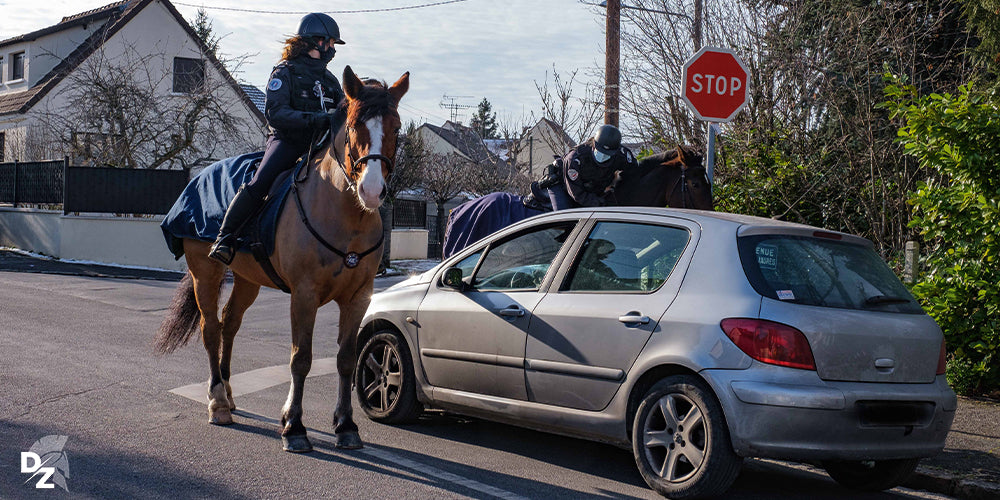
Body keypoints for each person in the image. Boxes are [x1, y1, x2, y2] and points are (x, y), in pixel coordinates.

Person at [209, 13, 347, 264]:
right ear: (313, 41)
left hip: (321, 145)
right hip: (288, 141)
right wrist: (313, 119)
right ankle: (225, 238)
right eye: (330, 42)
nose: (332, 49)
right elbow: (275, 113)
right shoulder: (285, 72)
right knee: (261, 180)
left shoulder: (331, 80)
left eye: (334, 44)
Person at [540, 124, 638, 211]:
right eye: (599, 152)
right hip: (564, 185)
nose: (602, 156)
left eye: (607, 154)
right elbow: (577, 194)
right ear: (594, 144)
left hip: (592, 187)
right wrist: (601, 204)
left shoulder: (622, 155)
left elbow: (635, 173)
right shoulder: (575, 159)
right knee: (563, 217)